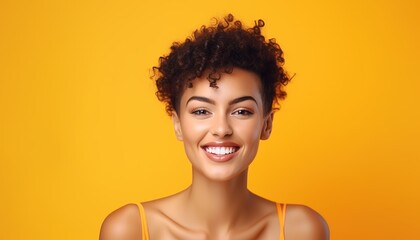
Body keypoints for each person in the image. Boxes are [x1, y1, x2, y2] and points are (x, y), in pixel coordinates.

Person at [100, 14, 329, 240]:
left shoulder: (300, 230)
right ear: (178, 125)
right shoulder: (130, 229)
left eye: (241, 111)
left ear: (266, 125)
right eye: (201, 111)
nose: (221, 129)